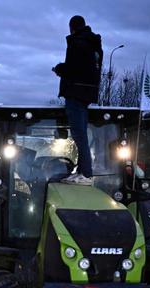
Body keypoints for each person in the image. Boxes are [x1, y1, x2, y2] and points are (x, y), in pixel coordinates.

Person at [53, 15, 103, 186]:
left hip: (76, 91)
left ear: (71, 27)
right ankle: (82, 172)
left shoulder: (78, 43)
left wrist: (60, 69)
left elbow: (75, 68)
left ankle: (86, 173)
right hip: (87, 93)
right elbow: (89, 69)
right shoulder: (94, 45)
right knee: (81, 133)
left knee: (79, 134)